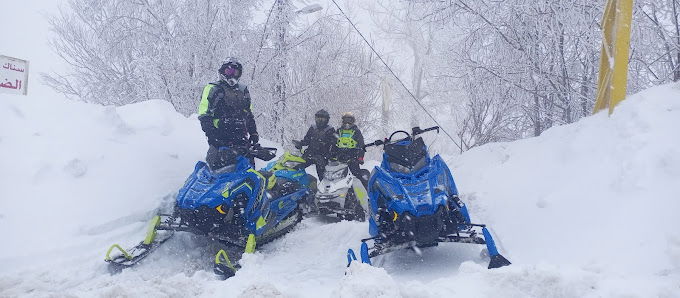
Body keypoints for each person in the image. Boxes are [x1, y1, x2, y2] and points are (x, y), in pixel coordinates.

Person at [197, 57, 259, 170]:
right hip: (221, 139)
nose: (232, 75)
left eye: (236, 72)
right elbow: (204, 115)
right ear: (222, 71)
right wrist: (212, 137)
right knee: (219, 172)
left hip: (241, 140)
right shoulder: (213, 88)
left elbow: (249, 114)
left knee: (247, 171)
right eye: (229, 71)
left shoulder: (243, 90)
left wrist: (254, 133)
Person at [293, 109, 336, 180]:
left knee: (322, 176)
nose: (320, 120)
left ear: (327, 119)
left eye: (322, 118)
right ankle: (295, 184)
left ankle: (324, 189)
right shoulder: (313, 128)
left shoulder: (330, 130)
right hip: (310, 153)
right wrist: (300, 144)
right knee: (297, 168)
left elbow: (334, 145)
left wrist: (329, 155)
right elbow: (307, 140)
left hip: (322, 156)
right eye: (318, 118)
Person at [332, 112, 368, 186]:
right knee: (332, 176)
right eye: (345, 120)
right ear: (343, 121)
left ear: (353, 121)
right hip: (339, 157)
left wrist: (360, 157)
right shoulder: (338, 131)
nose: (347, 123)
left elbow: (361, 145)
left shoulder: (356, 132)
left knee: (356, 175)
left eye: (349, 120)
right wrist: (331, 154)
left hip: (353, 157)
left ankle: (364, 191)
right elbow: (333, 143)